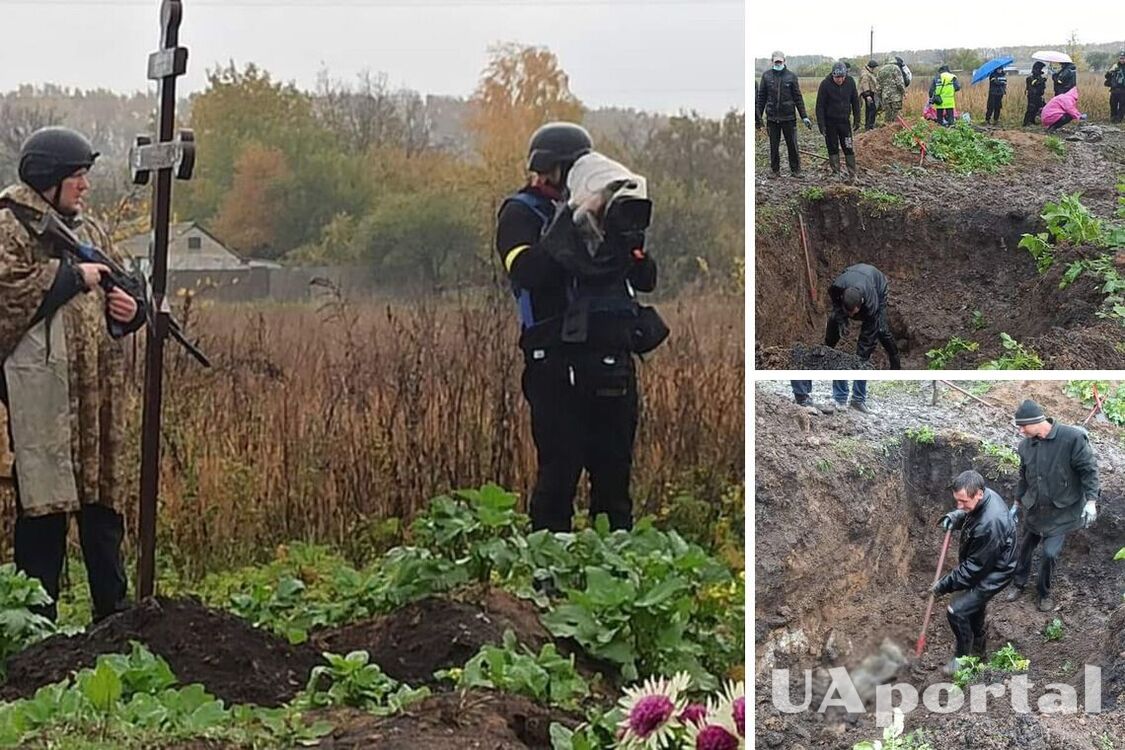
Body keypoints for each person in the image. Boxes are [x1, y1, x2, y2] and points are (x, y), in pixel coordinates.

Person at [0, 127, 143, 622]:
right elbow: (6, 297)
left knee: (102, 510)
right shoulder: (9, 228)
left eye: (85, 176)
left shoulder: (89, 230)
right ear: (48, 179)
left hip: (94, 397)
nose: (84, 186)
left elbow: (119, 283)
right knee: (43, 514)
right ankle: (37, 629)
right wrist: (69, 278)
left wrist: (128, 310)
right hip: (40, 401)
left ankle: (115, 617)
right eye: (75, 177)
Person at [495, 122, 661, 533]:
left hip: (611, 358)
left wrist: (624, 238)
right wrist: (571, 223)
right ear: (550, 169)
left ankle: (615, 577)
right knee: (559, 473)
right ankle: (549, 576)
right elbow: (528, 271)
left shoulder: (604, 215)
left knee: (614, 476)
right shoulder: (521, 212)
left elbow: (646, 279)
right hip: (555, 363)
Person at [1004, 400, 1099, 612]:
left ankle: (1043, 593)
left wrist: (1091, 500)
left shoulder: (1072, 438)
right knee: (1025, 548)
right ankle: (1018, 584)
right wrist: (1017, 502)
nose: (1020, 431)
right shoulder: (1025, 446)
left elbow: (1089, 471)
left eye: (1023, 426)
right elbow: (1024, 477)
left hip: (1062, 512)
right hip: (1036, 509)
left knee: (1049, 554)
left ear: (1036, 421)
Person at [928, 470, 1017, 676]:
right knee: (973, 607)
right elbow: (970, 514)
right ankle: (979, 651)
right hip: (986, 562)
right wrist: (956, 516)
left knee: (956, 611)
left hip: (995, 571)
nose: (960, 505)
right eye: (956, 501)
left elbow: (974, 569)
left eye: (963, 502)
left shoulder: (990, 523)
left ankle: (963, 658)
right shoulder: (982, 498)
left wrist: (944, 584)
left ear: (978, 493)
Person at [825, 263, 901, 369]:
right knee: (835, 319)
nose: (852, 316)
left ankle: (895, 361)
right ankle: (827, 348)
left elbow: (868, 336)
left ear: (862, 302)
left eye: (855, 313)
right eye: (849, 312)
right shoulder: (836, 288)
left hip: (877, 284)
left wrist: (859, 360)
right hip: (852, 274)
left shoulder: (871, 304)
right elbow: (837, 309)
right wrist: (841, 320)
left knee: (881, 329)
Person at [756, 51, 812, 178]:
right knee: (774, 146)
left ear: (784, 61)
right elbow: (761, 98)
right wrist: (758, 117)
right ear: (772, 62)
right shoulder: (766, 76)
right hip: (772, 118)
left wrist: (804, 116)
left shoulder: (791, 76)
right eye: (776, 62)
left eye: (780, 61)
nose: (778, 63)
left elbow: (798, 97)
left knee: (792, 145)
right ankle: (775, 171)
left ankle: (796, 170)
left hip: (789, 118)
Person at [815, 62, 861, 179]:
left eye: (842, 77)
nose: (840, 80)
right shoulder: (825, 84)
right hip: (830, 122)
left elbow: (855, 101)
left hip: (844, 122)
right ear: (833, 75)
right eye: (837, 77)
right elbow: (819, 106)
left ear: (845, 75)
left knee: (848, 146)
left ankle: (852, 173)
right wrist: (821, 125)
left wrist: (857, 119)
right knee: (832, 146)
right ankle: (836, 172)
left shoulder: (850, 82)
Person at [875, 57, 906, 125]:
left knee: (887, 116)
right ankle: (896, 132)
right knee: (896, 115)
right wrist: (904, 92)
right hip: (896, 97)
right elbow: (899, 83)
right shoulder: (895, 68)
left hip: (885, 97)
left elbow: (878, 87)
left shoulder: (881, 70)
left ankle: (887, 131)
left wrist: (880, 97)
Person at [1023, 61, 1049, 126]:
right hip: (1032, 95)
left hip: (1039, 95)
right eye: (1040, 68)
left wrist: (1043, 80)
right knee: (1031, 108)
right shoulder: (1030, 78)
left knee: (1037, 108)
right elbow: (1034, 83)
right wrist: (1042, 80)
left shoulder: (1040, 76)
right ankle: (1026, 122)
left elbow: (1042, 86)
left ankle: (1032, 120)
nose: (1041, 70)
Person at [859, 59, 880, 131]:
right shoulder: (865, 74)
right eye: (875, 68)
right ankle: (870, 126)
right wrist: (868, 95)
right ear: (872, 67)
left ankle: (868, 126)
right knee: (872, 109)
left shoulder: (868, 72)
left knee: (869, 110)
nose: (876, 69)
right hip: (868, 94)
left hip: (869, 93)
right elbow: (865, 84)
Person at [1105, 49, 1125, 124]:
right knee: (1113, 104)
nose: (1122, 60)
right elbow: (1107, 76)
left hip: (1123, 89)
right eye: (1121, 58)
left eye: (1123, 58)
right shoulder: (1115, 66)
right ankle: (1113, 118)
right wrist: (1110, 71)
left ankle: (1119, 119)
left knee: (1122, 105)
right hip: (1114, 89)